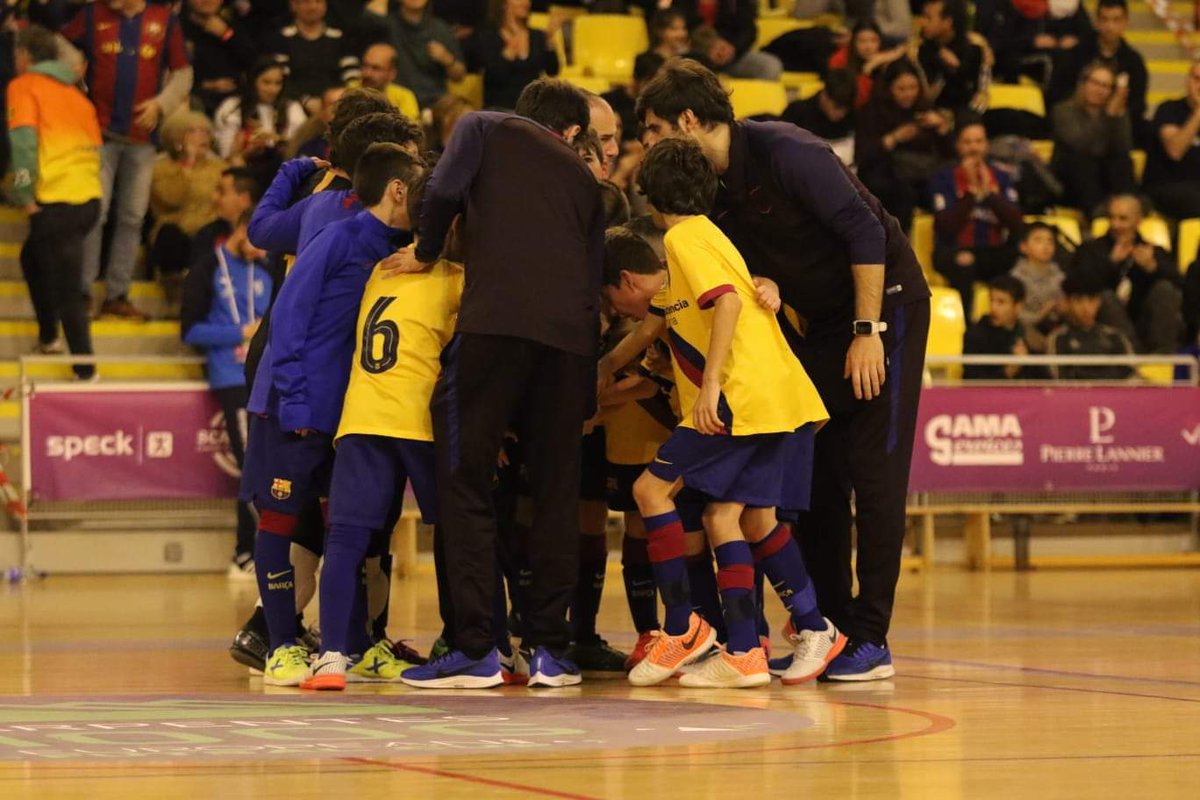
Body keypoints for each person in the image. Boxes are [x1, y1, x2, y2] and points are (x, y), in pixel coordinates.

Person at [631, 59, 930, 681]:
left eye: (656, 128)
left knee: (875, 474)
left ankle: (872, 639)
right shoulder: (703, 197)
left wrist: (867, 332)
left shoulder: (787, 150)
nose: (649, 144)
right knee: (813, 478)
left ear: (689, 119)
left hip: (887, 309)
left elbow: (864, 233)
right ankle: (833, 628)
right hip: (815, 324)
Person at [392, 78, 604, 690]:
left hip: (496, 326)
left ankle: (475, 647)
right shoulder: (587, 180)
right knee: (558, 492)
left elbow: (445, 191)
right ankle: (550, 652)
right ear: (570, 133)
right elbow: (592, 282)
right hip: (567, 345)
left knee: (463, 477)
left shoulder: (483, 125)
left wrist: (427, 252)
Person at [615, 137, 841, 689]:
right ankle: (756, 646)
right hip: (778, 398)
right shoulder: (709, 236)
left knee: (650, 493)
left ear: (647, 189)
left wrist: (711, 383)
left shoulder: (684, 236)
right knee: (735, 518)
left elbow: (730, 302)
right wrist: (600, 371)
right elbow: (656, 325)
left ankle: (682, 627)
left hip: (742, 396)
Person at [241, 143, 423, 687]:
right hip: (294, 410)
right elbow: (287, 322)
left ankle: (359, 645)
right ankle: (279, 647)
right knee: (280, 521)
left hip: (351, 414)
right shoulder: (337, 240)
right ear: (397, 189)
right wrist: (295, 400)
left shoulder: (408, 249)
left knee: (349, 529)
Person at [301, 167, 462, 692]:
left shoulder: (379, 270)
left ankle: (331, 655)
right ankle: (469, 643)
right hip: (416, 419)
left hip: (362, 416)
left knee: (344, 539)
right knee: (459, 532)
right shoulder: (456, 279)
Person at [63, 0, 192, 322]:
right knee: (96, 212)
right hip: (100, 133)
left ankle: (116, 295)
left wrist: (162, 105)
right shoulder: (93, 13)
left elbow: (183, 72)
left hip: (142, 138)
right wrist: (73, 71)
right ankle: (81, 292)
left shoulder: (164, 19)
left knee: (133, 217)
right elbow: (61, 43)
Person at [7, 24, 101, 378]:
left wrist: (24, 193)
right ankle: (49, 336)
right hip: (89, 199)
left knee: (67, 290)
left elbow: (24, 143)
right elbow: (97, 152)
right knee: (32, 256)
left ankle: (86, 370)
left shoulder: (24, 86)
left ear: (24, 56)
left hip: (57, 199)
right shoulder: (77, 95)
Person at [180, 214, 272, 578]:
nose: (264, 251)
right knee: (251, 463)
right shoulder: (209, 268)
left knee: (266, 465)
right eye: (258, 240)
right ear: (240, 231)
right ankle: (244, 552)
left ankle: (262, 551)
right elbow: (190, 331)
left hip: (266, 380)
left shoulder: (265, 271)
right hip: (232, 379)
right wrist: (240, 332)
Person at [930, 115, 1024, 319]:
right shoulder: (943, 177)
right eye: (968, 142)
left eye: (979, 141)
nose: (974, 148)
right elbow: (946, 226)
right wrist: (971, 194)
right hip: (952, 250)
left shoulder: (1001, 177)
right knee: (965, 263)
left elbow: (1016, 222)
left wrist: (990, 194)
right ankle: (965, 331)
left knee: (1018, 257)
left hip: (990, 251)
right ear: (958, 145)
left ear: (987, 145)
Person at [1071, 194, 1184, 354]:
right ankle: (1132, 356)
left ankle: (1163, 358)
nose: (1116, 224)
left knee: (1165, 289)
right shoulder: (1090, 250)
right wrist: (1111, 262)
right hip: (1105, 326)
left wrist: (1153, 268)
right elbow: (1079, 285)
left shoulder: (1154, 251)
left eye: (1123, 219)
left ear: (1138, 220)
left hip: (1147, 324)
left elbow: (1181, 285)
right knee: (1104, 296)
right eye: (1112, 217)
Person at [855, 59, 955, 232]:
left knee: (946, 187)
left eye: (913, 88)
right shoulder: (872, 111)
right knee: (902, 193)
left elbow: (950, 154)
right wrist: (894, 138)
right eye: (901, 89)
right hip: (885, 174)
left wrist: (942, 129)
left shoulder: (924, 109)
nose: (908, 94)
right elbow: (863, 157)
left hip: (922, 173)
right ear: (888, 88)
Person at [149, 111, 226, 315]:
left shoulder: (218, 167)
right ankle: (175, 295)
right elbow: (172, 198)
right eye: (193, 131)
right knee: (170, 236)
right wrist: (188, 166)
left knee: (216, 234)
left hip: (208, 231)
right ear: (176, 137)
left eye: (205, 131)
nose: (203, 136)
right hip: (177, 231)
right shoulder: (161, 167)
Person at [1050, 61, 1136, 218]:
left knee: (1122, 161)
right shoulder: (1063, 110)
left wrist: (1118, 118)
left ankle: (1128, 209)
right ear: (1083, 83)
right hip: (1071, 180)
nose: (1099, 90)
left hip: (1106, 179)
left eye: (1105, 86)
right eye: (1095, 83)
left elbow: (1124, 147)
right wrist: (1108, 116)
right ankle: (1098, 213)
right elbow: (1081, 144)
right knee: (1082, 162)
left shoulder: (1116, 112)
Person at [213, 58, 308, 187]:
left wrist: (279, 142)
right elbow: (225, 155)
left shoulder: (292, 108)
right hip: (246, 169)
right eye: (266, 83)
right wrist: (248, 151)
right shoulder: (232, 108)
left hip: (281, 169)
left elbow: (301, 149)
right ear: (252, 82)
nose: (273, 89)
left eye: (278, 83)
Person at [364, 0, 467, 109]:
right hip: (396, 103)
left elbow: (459, 75)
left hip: (433, 104)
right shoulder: (387, 25)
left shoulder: (440, 29)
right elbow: (370, 12)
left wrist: (446, 59)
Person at [1076, 0, 1149, 147]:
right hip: (1078, 124)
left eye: (1116, 20)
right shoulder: (1076, 55)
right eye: (1105, 19)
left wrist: (1115, 113)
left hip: (1118, 129)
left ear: (1125, 22)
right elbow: (1059, 94)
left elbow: (1138, 104)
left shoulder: (1134, 62)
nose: (1110, 27)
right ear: (1096, 22)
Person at [266, 0, 360, 112]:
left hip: (337, 105)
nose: (313, 7)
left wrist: (342, 98)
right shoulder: (281, 39)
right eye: (306, 2)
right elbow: (281, 79)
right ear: (293, 5)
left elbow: (352, 77)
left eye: (318, 1)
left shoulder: (340, 38)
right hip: (294, 107)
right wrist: (305, 101)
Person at [469, 0, 560, 111]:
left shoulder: (537, 36)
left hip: (531, 111)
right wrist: (508, 54)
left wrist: (549, 43)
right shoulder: (488, 36)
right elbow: (494, 76)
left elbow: (553, 70)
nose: (526, 3)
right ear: (503, 4)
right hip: (499, 110)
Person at [1048, 269, 1136, 380]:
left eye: (1091, 300)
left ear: (1099, 302)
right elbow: (1060, 379)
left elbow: (1131, 375)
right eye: (1079, 301)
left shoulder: (1115, 337)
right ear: (1067, 303)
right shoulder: (1059, 339)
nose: (1086, 308)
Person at [1142, 60, 1200, 220]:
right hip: (1164, 187)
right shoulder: (1169, 109)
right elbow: (1175, 150)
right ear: (1188, 81)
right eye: (1197, 79)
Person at [914, 0, 991, 114]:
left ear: (947, 22)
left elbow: (981, 94)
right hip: (930, 116)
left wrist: (957, 69)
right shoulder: (919, 50)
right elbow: (923, 100)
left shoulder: (974, 49)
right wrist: (946, 68)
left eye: (928, 18)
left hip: (966, 117)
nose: (922, 22)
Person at [182, 0, 258, 116]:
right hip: (193, 100)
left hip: (234, 100)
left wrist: (226, 34)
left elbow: (253, 61)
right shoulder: (178, 27)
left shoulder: (234, 22)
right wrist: (204, 84)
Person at [962, 274, 1031, 380]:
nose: (993, 307)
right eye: (991, 300)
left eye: (1001, 302)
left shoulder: (1027, 335)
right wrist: (1010, 371)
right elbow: (973, 381)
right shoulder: (975, 335)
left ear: (1018, 306)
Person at [1010, 221, 1065, 352]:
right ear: (1024, 247)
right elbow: (1014, 314)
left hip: (1056, 327)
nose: (1045, 246)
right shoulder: (1016, 278)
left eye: (1050, 241)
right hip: (1028, 328)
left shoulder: (1060, 276)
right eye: (1038, 240)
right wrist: (1041, 314)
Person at [828, 21, 908, 110]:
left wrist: (881, 61)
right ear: (853, 42)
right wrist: (868, 68)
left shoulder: (886, 57)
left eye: (874, 40)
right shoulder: (839, 60)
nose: (868, 46)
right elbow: (855, 101)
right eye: (862, 41)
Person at [780, 68, 857, 149]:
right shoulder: (796, 114)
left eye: (846, 109)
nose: (842, 114)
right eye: (837, 107)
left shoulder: (852, 118)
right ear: (824, 96)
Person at [358, 42, 421, 119]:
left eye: (376, 68)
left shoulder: (403, 97)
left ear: (392, 73)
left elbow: (409, 128)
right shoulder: (348, 92)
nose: (367, 73)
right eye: (365, 66)